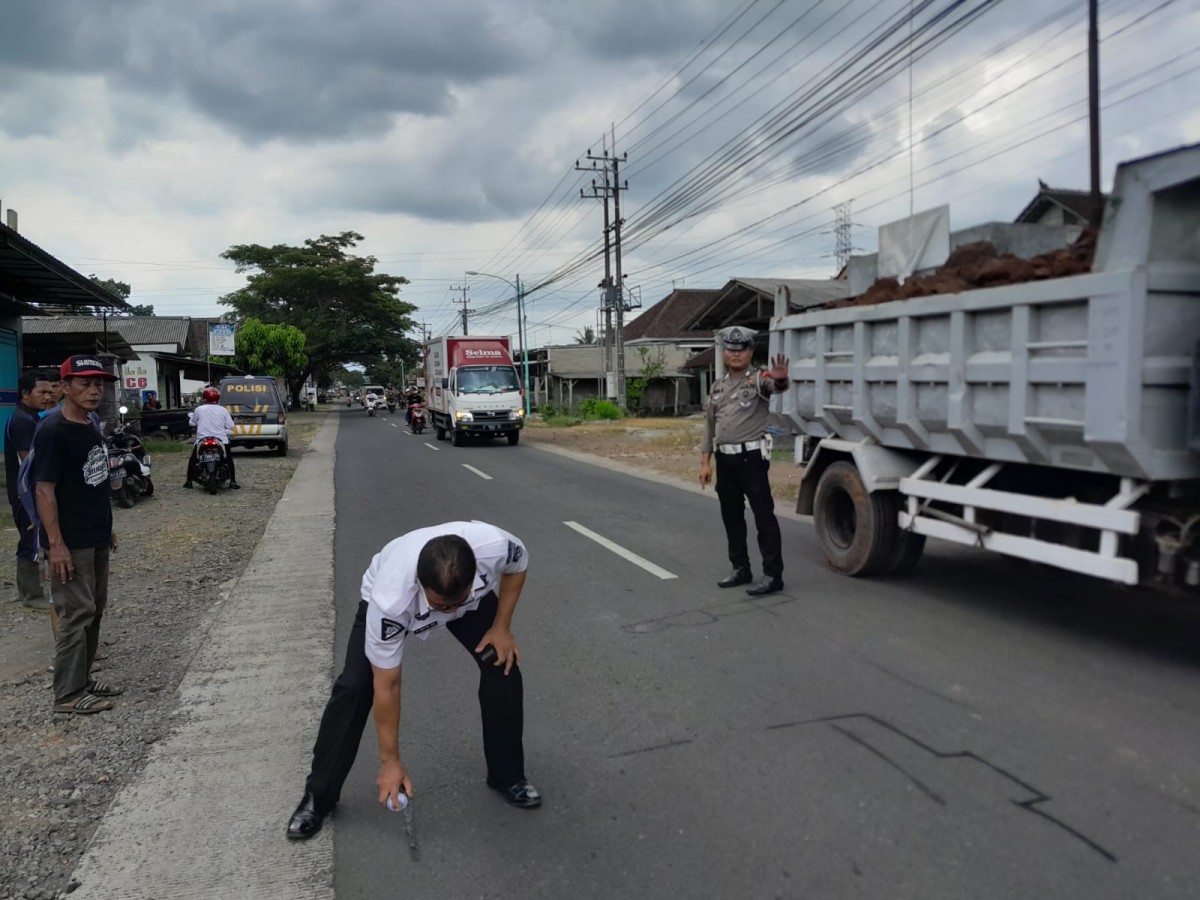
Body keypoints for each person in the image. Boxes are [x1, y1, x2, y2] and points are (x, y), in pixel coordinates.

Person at [286, 521, 540, 840]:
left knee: (502, 664)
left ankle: (507, 775)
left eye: (454, 603)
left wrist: (501, 627)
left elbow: (519, 567)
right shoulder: (391, 600)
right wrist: (390, 761)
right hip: (396, 603)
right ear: (420, 583)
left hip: (471, 603)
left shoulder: (494, 546)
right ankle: (318, 796)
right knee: (354, 688)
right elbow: (388, 685)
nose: (447, 611)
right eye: (440, 606)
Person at [33, 355, 123, 714]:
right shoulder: (54, 430)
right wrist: (56, 545)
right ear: (65, 387)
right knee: (74, 613)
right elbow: (44, 490)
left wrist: (109, 527)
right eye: (84, 383)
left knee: (95, 608)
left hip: (96, 534)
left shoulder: (88, 424)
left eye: (98, 383)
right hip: (70, 541)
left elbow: (94, 480)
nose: (93, 390)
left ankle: (83, 679)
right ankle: (68, 695)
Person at [698, 326, 791, 597]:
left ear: (750, 352)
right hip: (725, 461)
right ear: (724, 353)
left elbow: (776, 386)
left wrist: (782, 380)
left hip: (752, 459)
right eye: (731, 350)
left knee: (763, 517)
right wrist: (705, 463)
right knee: (732, 517)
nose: (736, 355)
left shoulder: (759, 379)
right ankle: (741, 568)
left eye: (741, 350)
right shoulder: (717, 386)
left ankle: (773, 574)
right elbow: (709, 428)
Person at [5, 369, 56, 609]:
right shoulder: (22, 421)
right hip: (25, 492)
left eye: (50, 390)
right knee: (31, 539)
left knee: (29, 538)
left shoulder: (32, 417)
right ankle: (31, 596)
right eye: (42, 392)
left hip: (26, 491)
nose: (48, 396)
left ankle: (26, 589)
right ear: (26, 394)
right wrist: (37, 503)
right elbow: (30, 465)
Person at [183, 387, 239, 489]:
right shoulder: (223, 410)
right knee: (228, 459)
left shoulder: (199, 409)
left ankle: (189, 482)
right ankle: (233, 482)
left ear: (204, 398)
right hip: (221, 440)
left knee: (193, 460)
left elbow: (192, 422)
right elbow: (231, 426)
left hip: (202, 439)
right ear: (218, 398)